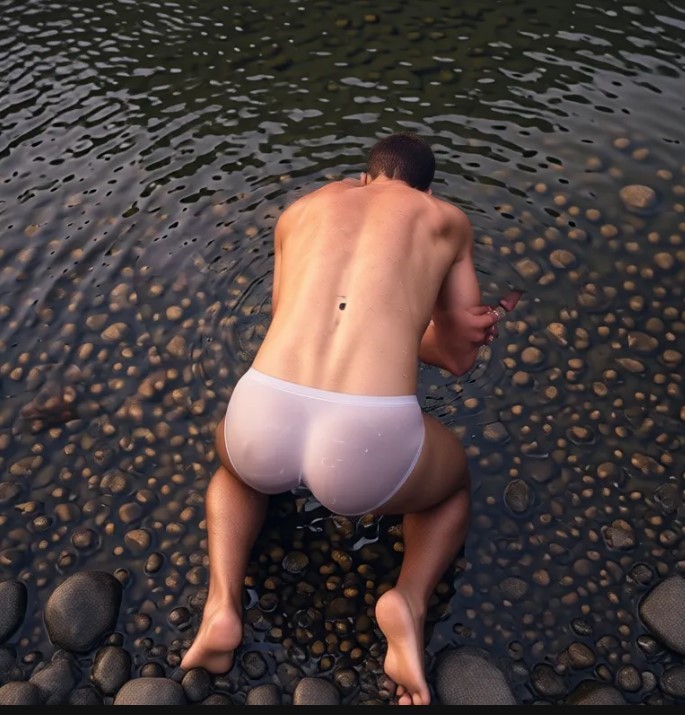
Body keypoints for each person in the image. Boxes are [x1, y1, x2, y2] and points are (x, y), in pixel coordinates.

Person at [180, 132, 517, 705]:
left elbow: (288, 314)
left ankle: (222, 606)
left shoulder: (301, 210)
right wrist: (443, 325)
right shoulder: (444, 219)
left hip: (265, 406)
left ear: (365, 178)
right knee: (451, 486)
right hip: (365, 442)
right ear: (426, 190)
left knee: (235, 469)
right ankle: (407, 600)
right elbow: (457, 358)